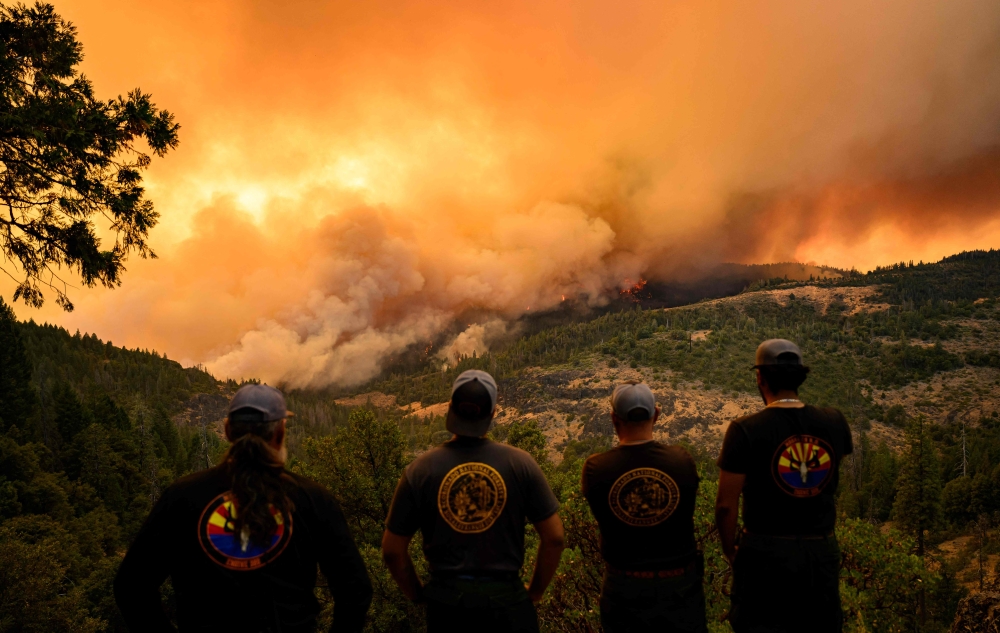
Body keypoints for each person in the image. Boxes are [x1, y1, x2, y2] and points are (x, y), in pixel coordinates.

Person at [114, 384, 372, 633]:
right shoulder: (312, 498)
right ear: (280, 432)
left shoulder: (182, 496)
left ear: (227, 431)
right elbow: (355, 589)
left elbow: (132, 586)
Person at [381, 369, 565, 633]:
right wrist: (534, 591)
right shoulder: (520, 464)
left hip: (447, 609)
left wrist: (417, 594)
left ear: (450, 408)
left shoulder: (420, 470)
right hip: (508, 606)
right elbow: (555, 538)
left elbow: (392, 550)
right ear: (492, 413)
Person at [715, 339, 853, 633]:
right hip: (820, 553)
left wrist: (731, 551)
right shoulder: (834, 422)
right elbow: (826, 474)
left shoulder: (745, 430)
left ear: (760, 378)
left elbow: (726, 505)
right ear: (801, 376)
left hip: (764, 555)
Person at [582, 381, 706, 633]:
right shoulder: (682, 461)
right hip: (680, 588)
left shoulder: (596, 469)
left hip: (623, 588)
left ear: (613, 419)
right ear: (656, 415)